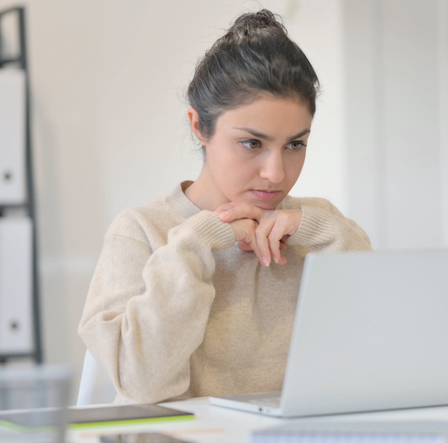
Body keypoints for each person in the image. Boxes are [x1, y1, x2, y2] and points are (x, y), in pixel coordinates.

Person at [77, 9, 372, 404]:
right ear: (199, 127)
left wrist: (324, 232)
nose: (275, 173)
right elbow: (142, 383)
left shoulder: (319, 227)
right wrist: (197, 242)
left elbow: (376, 358)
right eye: (252, 143)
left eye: (295, 144)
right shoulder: (142, 232)